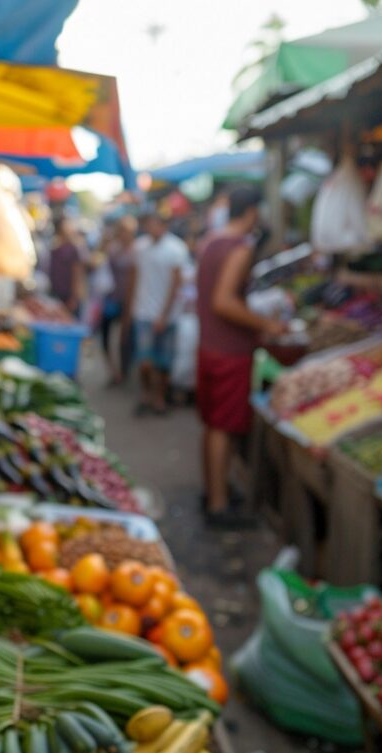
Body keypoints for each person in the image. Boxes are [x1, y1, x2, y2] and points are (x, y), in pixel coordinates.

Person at [196, 185, 286, 526]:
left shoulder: (211, 242)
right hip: (230, 351)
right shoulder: (239, 247)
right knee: (223, 427)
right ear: (251, 212)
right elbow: (224, 301)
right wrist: (267, 325)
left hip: (208, 346)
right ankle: (218, 506)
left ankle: (213, 490)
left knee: (212, 426)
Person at [127, 211, 189, 416]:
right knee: (145, 361)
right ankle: (146, 394)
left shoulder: (176, 249)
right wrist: (129, 309)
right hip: (143, 312)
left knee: (164, 362)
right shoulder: (140, 248)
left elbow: (176, 285)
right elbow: (134, 278)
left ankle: (159, 398)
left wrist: (164, 315)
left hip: (167, 316)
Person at [97, 215, 138, 385]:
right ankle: (114, 372)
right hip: (111, 299)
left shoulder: (137, 251)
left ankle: (123, 371)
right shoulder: (112, 249)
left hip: (130, 301)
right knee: (106, 338)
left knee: (126, 339)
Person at [48, 217, 89, 316]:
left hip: (69, 295)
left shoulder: (74, 248)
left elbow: (78, 274)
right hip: (57, 292)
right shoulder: (56, 246)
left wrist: (74, 297)